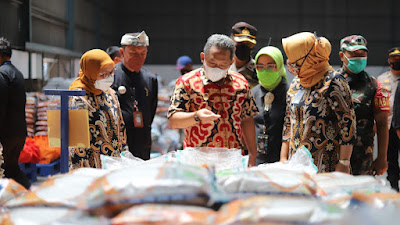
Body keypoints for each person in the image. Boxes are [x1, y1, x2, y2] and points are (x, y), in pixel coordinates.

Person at [168, 34, 259, 166]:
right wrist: (196, 116)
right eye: (212, 63)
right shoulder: (187, 83)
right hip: (198, 161)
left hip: (233, 160)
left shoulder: (241, 83)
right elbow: (173, 121)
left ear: (231, 62)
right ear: (202, 58)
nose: (217, 68)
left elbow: (246, 118)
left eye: (223, 65)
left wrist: (252, 153)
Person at [280, 32, 356, 173]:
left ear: (310, 58)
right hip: (295, 166)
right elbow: (288, 122)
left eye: (295, 60)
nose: (291, 64)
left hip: (326, 165)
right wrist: (284, 158)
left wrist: (344, 162)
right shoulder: (296, 83)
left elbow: (347, 123)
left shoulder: (333, 81)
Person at [338, 35, 389, 176]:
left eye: (362, 54)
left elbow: (382, 124)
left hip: (361, 159)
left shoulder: (375, 86)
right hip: (333, 156)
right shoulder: (332, 84)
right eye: (354, 54)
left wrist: (382, 158)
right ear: (342, 56)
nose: (359, 58)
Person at [69, 49, 127, 169]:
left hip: (113, 163)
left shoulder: (110, 93)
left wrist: (124, 155)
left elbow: (120, 126)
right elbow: (76, 143)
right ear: (90, 72)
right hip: (91, 167)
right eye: (102, 74)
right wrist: (81, 172)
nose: (108, 78)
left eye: (111, 73)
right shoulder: (79, 97)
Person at [111, 31, 158, 160]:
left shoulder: (150, 79)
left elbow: (152, 108)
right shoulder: (111, 76)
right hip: (118, 140)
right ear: (122, 52)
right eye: (133, 53)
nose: (139, 58)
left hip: (142, 140)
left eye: (143, 53)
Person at [0, 37, 31, 189]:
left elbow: (1, 107)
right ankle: (27, 193)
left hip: (6, 134)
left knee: (6, 169)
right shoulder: (17, 74)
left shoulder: (2, 74)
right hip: (19, 132)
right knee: (12, 168)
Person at [252, 46, 289, 165]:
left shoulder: (291, 93)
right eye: (260, 67)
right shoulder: (253, 93)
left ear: (279, 66)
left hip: (283, 161)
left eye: (270, 66)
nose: (264, 71)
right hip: (257, 160)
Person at [378, 47, 400, 191]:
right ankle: (394, 186)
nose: (396, 62)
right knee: (390, 158)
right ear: (389, 61)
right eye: (394, 60)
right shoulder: (382, 79)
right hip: (387, 125)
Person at [229, 22, 259, 88]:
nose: (244, 47)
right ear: (232, 42)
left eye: (248, 44)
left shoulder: (259, 70)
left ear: (253, 45)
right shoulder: (223, 67)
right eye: (240, 43)